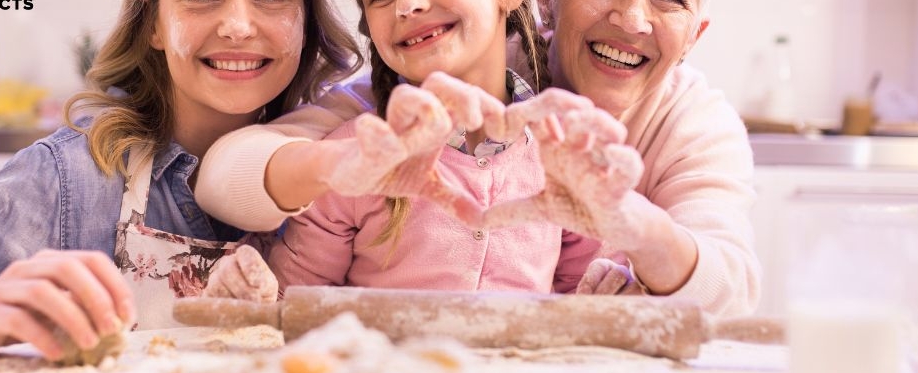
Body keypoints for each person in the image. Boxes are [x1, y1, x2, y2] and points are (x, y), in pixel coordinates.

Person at [0, 0, 362, 373]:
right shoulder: (64, 181)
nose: (238, 25)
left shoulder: (351, 176)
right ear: (154, 22)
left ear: (308, 23)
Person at [196, 0, 760, 316]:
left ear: (694, 35)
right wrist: (259, 290)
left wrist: (618, 267)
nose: (633, 19)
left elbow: (725, 289)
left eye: (669, 1)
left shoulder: (673, 130)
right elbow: (290, 290)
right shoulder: (372, 120)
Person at [241, 0, 630, 292]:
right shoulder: (356, 156)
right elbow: (298, 306)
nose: (409, 5)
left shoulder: (565, 153)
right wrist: (252, 298)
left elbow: (579, 303)